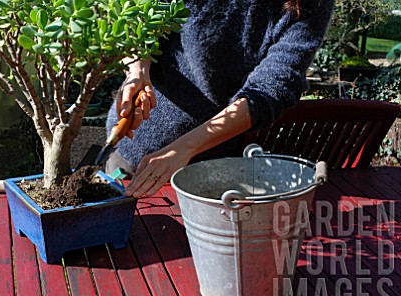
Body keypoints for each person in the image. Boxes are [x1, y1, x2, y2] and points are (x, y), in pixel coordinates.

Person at [106, 0, 335, 198]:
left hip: (212, 167)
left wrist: (185, 148)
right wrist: (137, 71)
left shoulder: (308, 5)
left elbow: (271, 88)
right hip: (133, 145)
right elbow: (143, 21)